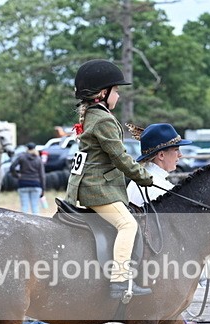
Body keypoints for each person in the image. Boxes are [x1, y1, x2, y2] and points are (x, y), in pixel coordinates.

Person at [101, 123, 194, 324]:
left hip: (156, 280)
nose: (180, 155)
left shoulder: (156, 181)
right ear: (160, 155)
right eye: (175, 151)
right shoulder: (151, 185)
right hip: (152, 283)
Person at [65, 59, 153, 300]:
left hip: (90, 184)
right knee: (128, 225)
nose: (119, 95)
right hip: (97, 188)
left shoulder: (93, 115)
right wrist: (144, 177)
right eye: (116, 90)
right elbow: (120, 157)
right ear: (102, 93)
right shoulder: (103, 120)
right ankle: (120, 281)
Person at [10, 142, 46, 214]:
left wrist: (17, 176)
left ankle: (23, 221)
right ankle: (36, 221)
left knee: (24, 206)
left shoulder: (22, 157)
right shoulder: (38, 159)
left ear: (27, 148)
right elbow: (42, 175)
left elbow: (12, 167)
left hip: (23, 183)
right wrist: (43, 189)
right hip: (36, 184)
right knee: (35, 206)